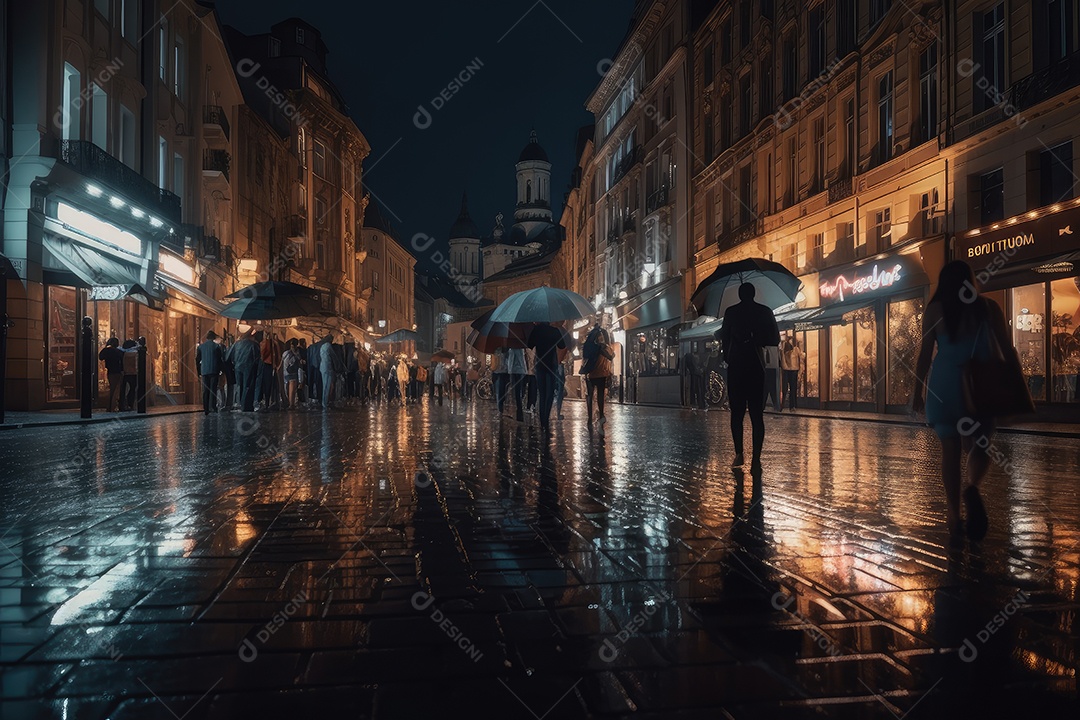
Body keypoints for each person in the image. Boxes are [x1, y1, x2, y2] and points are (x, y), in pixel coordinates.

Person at [913, 260, 1013, 542]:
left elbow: (923, 356)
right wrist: (1012, 388)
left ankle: (954, 515)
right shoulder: (988, 308)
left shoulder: (934, 311)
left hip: (945, 384)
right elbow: (1005, 349)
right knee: (981, 444)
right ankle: (972, 487)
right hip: (981, 383)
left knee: (950, 449)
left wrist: (916, 394)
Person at [718, 283, 780, 471]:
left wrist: (728, 355)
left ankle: (739, 454)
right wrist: (756, 338)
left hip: (737, 367)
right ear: (754, 294)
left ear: (739, 294)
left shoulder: (731, 312)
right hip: (756, 367)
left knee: (736, 414)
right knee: (756, 416)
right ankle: (756, 459)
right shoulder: (764, 312)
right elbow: (775, 339)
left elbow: (724, 337)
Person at [527, 322, 568, 435]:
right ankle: (545, 423)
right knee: (549, 394)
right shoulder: (554, 331)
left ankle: (543, 423)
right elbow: (562, 345)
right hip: (551, 365)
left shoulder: (536, 330)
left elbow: (529, 344)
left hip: (540, 365)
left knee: (542, 394)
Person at [581, 322, 615, 434]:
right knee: (600, 395)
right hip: (601, 374)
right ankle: (601, 414)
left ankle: (590, 417)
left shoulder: (589, 347)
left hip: (591, 374)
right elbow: (610, 357)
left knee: (589, 396)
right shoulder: (602, 347)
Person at [228, 330, 261, 412]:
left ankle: (240, 404)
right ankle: (246, 405)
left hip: (238, 367)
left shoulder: (236, 344)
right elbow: (257, 358)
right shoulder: (253, 345)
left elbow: (229, 356)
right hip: (249, 367)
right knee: (248, 386)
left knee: (240, 386)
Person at [195, 330, 224, 414]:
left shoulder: (200, 347)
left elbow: (197, 360)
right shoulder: (217, 347)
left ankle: (206, 408)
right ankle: (213, 407)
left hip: (204, 371)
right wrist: (221, 370)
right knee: (213, 389)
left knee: (205, 390)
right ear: (213, 338)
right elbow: (219, 360)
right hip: (214, 370)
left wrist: (199, 371)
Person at [98, 337, 125, 412]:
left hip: (110, 371)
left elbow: (100, 357)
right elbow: (122, 361)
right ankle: (113, 406)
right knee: (116, 389)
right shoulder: (119, 351)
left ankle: (110, 406)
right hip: (118, 371)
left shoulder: (106, 351)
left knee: (112, 389)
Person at [780, 334, 803, 410]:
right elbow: (783, 359)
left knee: (793, 388)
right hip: (788, 370)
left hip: (794, 370)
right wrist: (785, 368)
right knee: (785, 388)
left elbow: (802, 356)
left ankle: (792, 405)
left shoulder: (796, 349)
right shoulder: (785, 349)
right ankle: (783, 404)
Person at [320, 334, 343, 409]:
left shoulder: (322, 346)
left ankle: (325, 402)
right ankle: (325, 403)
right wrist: (338, 364)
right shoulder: (328, 346)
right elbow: (333, 356)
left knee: (324, 386)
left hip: (323, 367)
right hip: (328, 368)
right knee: (327, 386)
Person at [505, 347, 528, 421]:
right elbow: (521, 360)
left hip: (513, 371)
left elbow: (510, 361)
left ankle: (518, 409)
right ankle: (519, 410)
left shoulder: (511, 349)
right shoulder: (518, 349)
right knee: (518, 391)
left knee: (516, 391)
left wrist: (509, 370)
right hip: (518, 371)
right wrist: (525, 370)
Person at [282, 338, 303, 410]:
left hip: (285, 372)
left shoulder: (285, 353)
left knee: (287, 388)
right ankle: (291, 404)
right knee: (292, 389)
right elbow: (299, 364)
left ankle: (289, 403)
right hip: (292, 373)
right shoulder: (297, 353)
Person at [120, 339, 138, 411]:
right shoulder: (135, 353)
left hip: (124, 373)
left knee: (123, 389)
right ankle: (130, 404)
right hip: (133, 373)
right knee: (132, 389)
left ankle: (122, 404)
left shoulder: (122, 352)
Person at [763, 344, 782, 411]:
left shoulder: (765, 348)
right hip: (773, 367)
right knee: (772, 389)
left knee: (767, 389)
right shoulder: (774, 347)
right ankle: (775, 406)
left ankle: (773, 405)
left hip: (768, 367)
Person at [492, 347, 509, 414]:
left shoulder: (498, 351)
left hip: (500, 372)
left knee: (500, 391)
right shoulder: (504, 351)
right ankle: (500, 408)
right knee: (501, 391)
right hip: (501, 372)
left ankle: (500, 408)